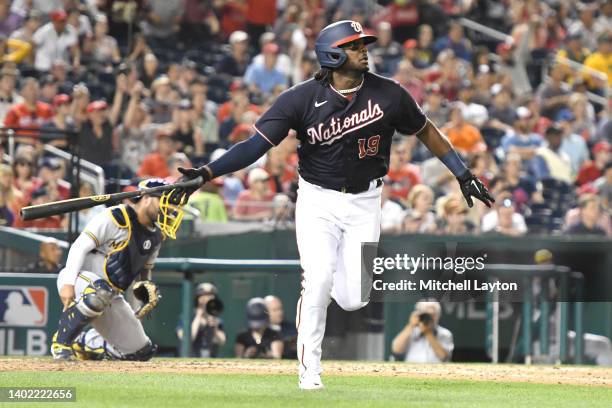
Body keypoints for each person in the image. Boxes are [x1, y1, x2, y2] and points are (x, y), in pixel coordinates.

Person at [174, 20, 493, 390]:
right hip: (317, 200)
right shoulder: (299, 99)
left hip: (366, 202)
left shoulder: (389, 94)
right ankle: (309, 370)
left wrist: (461, 172)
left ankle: (317, 293)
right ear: (333, 54)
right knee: (319, 279)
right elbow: (254, 146)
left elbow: (425, 129)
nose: (364, 50)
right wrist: (207, 172)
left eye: (362, 45)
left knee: (355, 298)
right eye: (355, 45)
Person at [50, 178, 188, 360]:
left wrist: (145, 287)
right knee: (100, 292)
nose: (168, 208)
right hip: (79, 280)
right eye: (164, 201)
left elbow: (144, 272)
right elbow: (79, 247)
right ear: (146, 198)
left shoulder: (155, 236)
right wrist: (69, 284)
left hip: (110, 295)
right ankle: (61, 343)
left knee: (141, 352)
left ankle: (86, 342)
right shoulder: (115, 217)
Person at [177, 282, 226, 358]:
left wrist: (215, 329)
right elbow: (186, 340)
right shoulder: (187, 317)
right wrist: (198, 317)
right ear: (198, 298)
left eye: (210, 296)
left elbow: (222, 341)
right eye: (204, 296)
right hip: (189, 359)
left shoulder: (216, 319)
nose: (208, 299)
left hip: (210, 361)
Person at [265, 295, 298, 360]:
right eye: (275, 310)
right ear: (266, 312)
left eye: (280, 309)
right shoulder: (261, 330)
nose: (279, 312)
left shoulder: (291, 328)